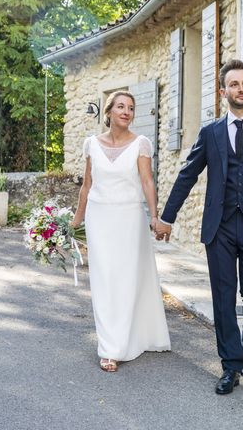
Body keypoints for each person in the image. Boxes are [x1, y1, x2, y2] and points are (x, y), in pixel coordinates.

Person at [156, 59, 243, 395]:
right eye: (234, 84)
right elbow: (187, 175)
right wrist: (167, 217)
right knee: (222, 298)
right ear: (223, 92)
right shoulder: (211, 132)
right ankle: (230, 365)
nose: (241, 89)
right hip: (219, 227)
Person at [72, 90, 171, 372]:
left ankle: (128, 337)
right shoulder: (91, 144)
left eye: (130, 108)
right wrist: (76, 220)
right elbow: (87, 186)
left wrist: (154, 216)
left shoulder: (141, 144)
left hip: (129, 218)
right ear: (109, 112)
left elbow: (148, 182)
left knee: (126, 279)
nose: (126, 112)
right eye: (120, 107)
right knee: (104, 280)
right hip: (98, 218)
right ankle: (110, 348)